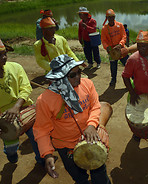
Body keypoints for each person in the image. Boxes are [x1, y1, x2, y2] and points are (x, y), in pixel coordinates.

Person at [33, 54, 111, 184]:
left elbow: (95, 106)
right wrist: (47, 154)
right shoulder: (45, 100)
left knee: (100, 177)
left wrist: (91, 125)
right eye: (72, 75)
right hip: (66, 147)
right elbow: (41, 130)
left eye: (79, 72)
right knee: (79, 178)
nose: (79, 77)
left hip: (91, 139)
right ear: (60, 78)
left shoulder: (87, 84)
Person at [0, 39, 43, 164]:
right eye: (0, 55)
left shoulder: (16, 67)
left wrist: (16, 107)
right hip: (4, 117)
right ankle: (11, 153)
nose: (4, 57)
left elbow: (26, 87)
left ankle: (41, 160)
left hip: (25, 107)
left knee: (36, 137)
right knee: (11, 149)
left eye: (5, 53)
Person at [101, 9, 128, 86]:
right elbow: (103, 40)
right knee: (113, 66)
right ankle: (113, 79)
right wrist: (107, 48)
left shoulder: (120, 25)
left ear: (114, 17)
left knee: (127, 63)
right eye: (109, 17)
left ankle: (132, 77)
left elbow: (124, 36)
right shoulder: (104, 29)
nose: (111, 19)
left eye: (112, 17)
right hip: (111, 50)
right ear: (106, 18)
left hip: (120, 48)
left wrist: (120, 44)